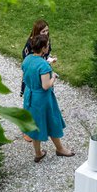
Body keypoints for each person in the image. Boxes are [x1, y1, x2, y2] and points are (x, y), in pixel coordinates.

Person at [21, 31, 74, 161]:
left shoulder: (27, 59)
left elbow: (24, 77)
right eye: (47, 45)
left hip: (30, 95)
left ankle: (38, 153)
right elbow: (46, 86)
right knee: (51, 122)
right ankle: (60, 149)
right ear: (44, 49)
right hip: (42, 99)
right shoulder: (44, 65)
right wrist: (54, 77)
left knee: (36, 126)